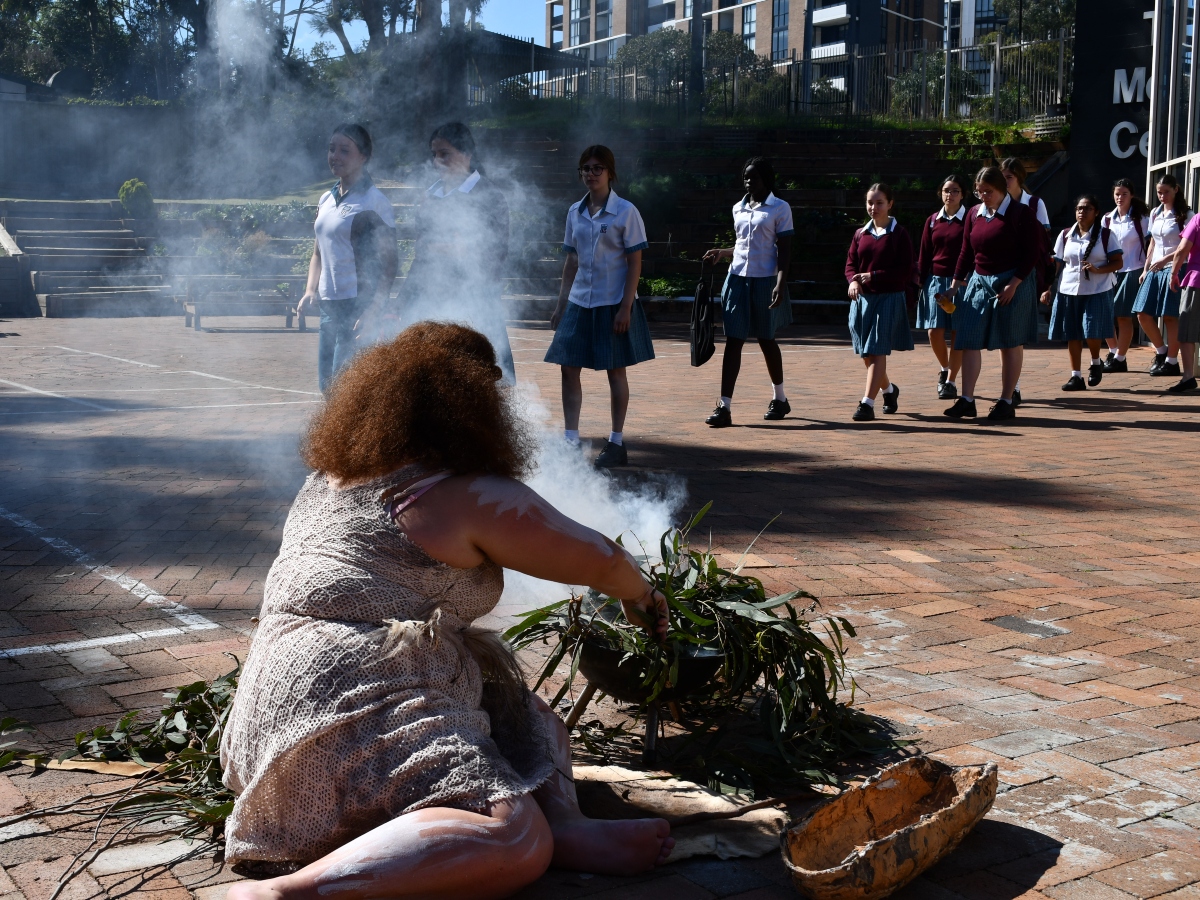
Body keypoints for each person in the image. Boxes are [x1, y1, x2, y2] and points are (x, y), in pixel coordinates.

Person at [222, 323, 675, 900]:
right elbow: (601, 561)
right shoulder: (456, 494)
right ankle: (289, 893)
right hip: (349, 700)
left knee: (530, 718)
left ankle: (570, 827)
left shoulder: (334, 477)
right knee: (514, 840)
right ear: (472, 404)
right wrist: (643, 595)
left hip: (267, 718)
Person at [546, 145, 653, 468]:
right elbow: (571, 261)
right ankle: (570, 439)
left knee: (614, 371)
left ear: (610, 172)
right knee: (568, 367)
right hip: (580, 301)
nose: (591, 174)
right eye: (586, 168)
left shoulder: (625, 212)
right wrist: (560, 304)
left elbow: (635, 262)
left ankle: (616, 443)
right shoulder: (574, 212)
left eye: (597, 168)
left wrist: (626, 307)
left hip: (612, 301)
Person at [384, 122, 516, 382]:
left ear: (466, 154)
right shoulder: (430, 197)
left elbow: (494, 255)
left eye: (445, 153)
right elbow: (421, 257)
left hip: (476, 303)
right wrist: (401, 301)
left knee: (490, 380)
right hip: (433, 302)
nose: (437, 161)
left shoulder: (489, 195)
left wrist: (453, 251)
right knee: (437, 381)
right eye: (434, 154)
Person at [298, 123, 398, 394]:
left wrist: (374, 309)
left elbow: (390, 265)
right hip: (329, 305)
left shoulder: (374, 202)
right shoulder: (326, 199)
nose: (335, 156)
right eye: (332, 149)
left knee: (346, 390)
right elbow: (318, 251)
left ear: (363, 157)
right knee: (327, 386)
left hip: (358, 305)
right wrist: (310, 290)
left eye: (345, 150)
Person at [701, 157, 794, 427]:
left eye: (753, 177)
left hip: (766, 280)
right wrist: (723, 252)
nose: (748, 181)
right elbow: (743, 244)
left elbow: (785, 250)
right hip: (737, 279)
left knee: (766, 339)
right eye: (745, 177)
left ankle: (780, 399)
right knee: (734, 340)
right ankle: (724, 406)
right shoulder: (738, 208)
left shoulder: (779, 208)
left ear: (766, 179)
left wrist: (780, 282)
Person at [943, 166, 1040, 422]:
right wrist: (955, 284)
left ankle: (1007, 400)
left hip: (1011, 281)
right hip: (978, 279)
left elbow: (1032, 254)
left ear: (1003, 189)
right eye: (979, 191)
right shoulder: (974, 213)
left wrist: (1014, 284)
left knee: (1010, 342)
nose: (984, 196)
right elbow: (966, 251)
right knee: (968, 339)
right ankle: (967, 400)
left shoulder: (1021, 213)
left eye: (989, 191)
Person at [844, 183, 915, 422]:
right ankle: (889, 390)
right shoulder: (860, 234)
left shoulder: (899, 234)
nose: (874, 207)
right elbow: (851, 264)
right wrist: (853, 282)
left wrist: (873, 276)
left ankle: (867, 403)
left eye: (879, 202)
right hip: (863, 300)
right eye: (870, 202)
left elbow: (905, 270)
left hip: (889, 298)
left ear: (890, 204)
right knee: (866, 352)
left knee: (876, 349)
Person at [1041, 195, 1123, 391]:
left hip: (1097, 289)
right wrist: (1048, 287)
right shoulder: (1066, 234)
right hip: (1068, 289)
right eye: (1079, 208)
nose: (1082, 212)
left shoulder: (1106, 235)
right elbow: (1058, 263)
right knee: (1072, 333)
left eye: (1086, 208)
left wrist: (1097, 269)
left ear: (1095, 212)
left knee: (1092, 330)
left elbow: (1118, 262)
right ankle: (1075, 376)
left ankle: (1096, 362)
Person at [1000, 157, 1052, 408]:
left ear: (1019, 178)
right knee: (1007, 334)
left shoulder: (1034, 203)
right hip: (1000, 273)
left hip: (1025, 273)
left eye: (1009, 177)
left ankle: (1014, 387)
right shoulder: (994, 203)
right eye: (1002, 177)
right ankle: (1012, 386)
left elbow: (1042, 241)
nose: (1004, 182)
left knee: (1016, 332)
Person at [1133, 173, 1194, 378]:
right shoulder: (1156, 213)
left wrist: (1166, 261)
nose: (1162, 196)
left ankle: (1172, 361)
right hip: (1155, 268)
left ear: (1176, 189)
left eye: (1165, 192)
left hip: (1176, 267)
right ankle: (1162, 351)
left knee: (1170, 316)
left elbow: (1185, 246)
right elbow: (1153, 242)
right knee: (1142, 312)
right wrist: (1145, 267)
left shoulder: (1186, 214)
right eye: (1159, 192)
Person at [917, 175, 969, 400]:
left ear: (963, 194)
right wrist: (920, 280)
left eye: (955, 190)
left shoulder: (971, 218)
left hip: (963, 282)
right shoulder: (932, 220)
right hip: (936, 282)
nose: (950, 194)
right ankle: (945, 368)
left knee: (957, 332)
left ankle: (950, 382)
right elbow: (925, 253)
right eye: (947, 190)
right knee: (934, 332)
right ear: (941, 193)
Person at [1101, 178, 1151, 372]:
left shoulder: (1141, 218)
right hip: (1110, 271)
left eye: (1124, 194)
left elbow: (1153, 243)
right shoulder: (1107, 219)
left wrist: (1148, 268)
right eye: (1117, 194)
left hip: (1133, 269)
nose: (1120, 197)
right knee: (1105, 314)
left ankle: (1120, 358)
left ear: (1131, 195)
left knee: (1123, 316)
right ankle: (1114, 353)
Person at [1164, 209, 1200, 393]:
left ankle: (1188, 377)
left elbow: (1182, 249)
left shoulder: (1198, 219)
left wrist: (1173, 274)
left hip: (1197, 280)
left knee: (1187, 330)